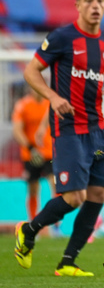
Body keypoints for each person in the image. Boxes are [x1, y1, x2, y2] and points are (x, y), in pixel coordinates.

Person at [14, 0, 104, 277]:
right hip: (68, 129)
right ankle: (28, 230)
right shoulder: (63, 38)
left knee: (98, 195)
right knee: (74, 197)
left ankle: (67, 262)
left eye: (100, 0)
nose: (95, 6)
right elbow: (31, 71)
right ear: (77, 5)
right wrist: (52, 97)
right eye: (89, 0)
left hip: (98, 129)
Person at [12, 87, 55, 222]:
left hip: (50, 153)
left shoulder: (50, 103)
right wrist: (31, 148)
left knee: (56, 186)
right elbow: (17, 131)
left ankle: (56, 225)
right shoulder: (22, 105)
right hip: (30, 155)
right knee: (33, 189)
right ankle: (33, 223)